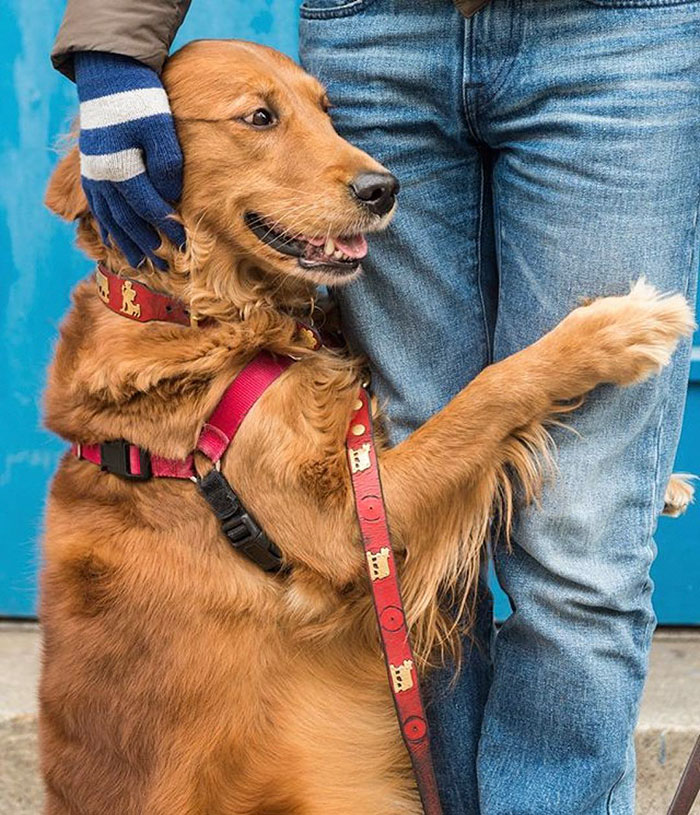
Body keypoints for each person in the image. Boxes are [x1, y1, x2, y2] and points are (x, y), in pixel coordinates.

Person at [51, 2, 700, 813]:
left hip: (623, 29)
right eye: (259, 119)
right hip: (379, 24)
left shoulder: (263, 331)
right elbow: (359, 534)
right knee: (444, 478)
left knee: (586, 556)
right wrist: (112, 57)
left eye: (317, 112)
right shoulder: (179, 377)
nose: (351, 163)